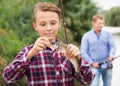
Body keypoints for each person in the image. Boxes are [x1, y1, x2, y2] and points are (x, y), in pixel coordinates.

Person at [2, 2, 94, 86]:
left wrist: (78, 59)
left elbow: (88, 80)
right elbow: (7, 77)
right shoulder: (28, 52)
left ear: (59, 23)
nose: (49, 28)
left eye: (53, 23)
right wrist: (30, 55)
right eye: (43, 24)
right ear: (35, 26)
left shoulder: (69, 51)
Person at [80, 14, 116, 86]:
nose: (101, 25)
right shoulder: (86, 36)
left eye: (103, 23)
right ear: (93, 23)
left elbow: (113, 46)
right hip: (94, 68)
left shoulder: (108, 34)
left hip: (108, 66)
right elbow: (83, 52)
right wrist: (92, 63)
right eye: (99, 23)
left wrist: (111, 54)